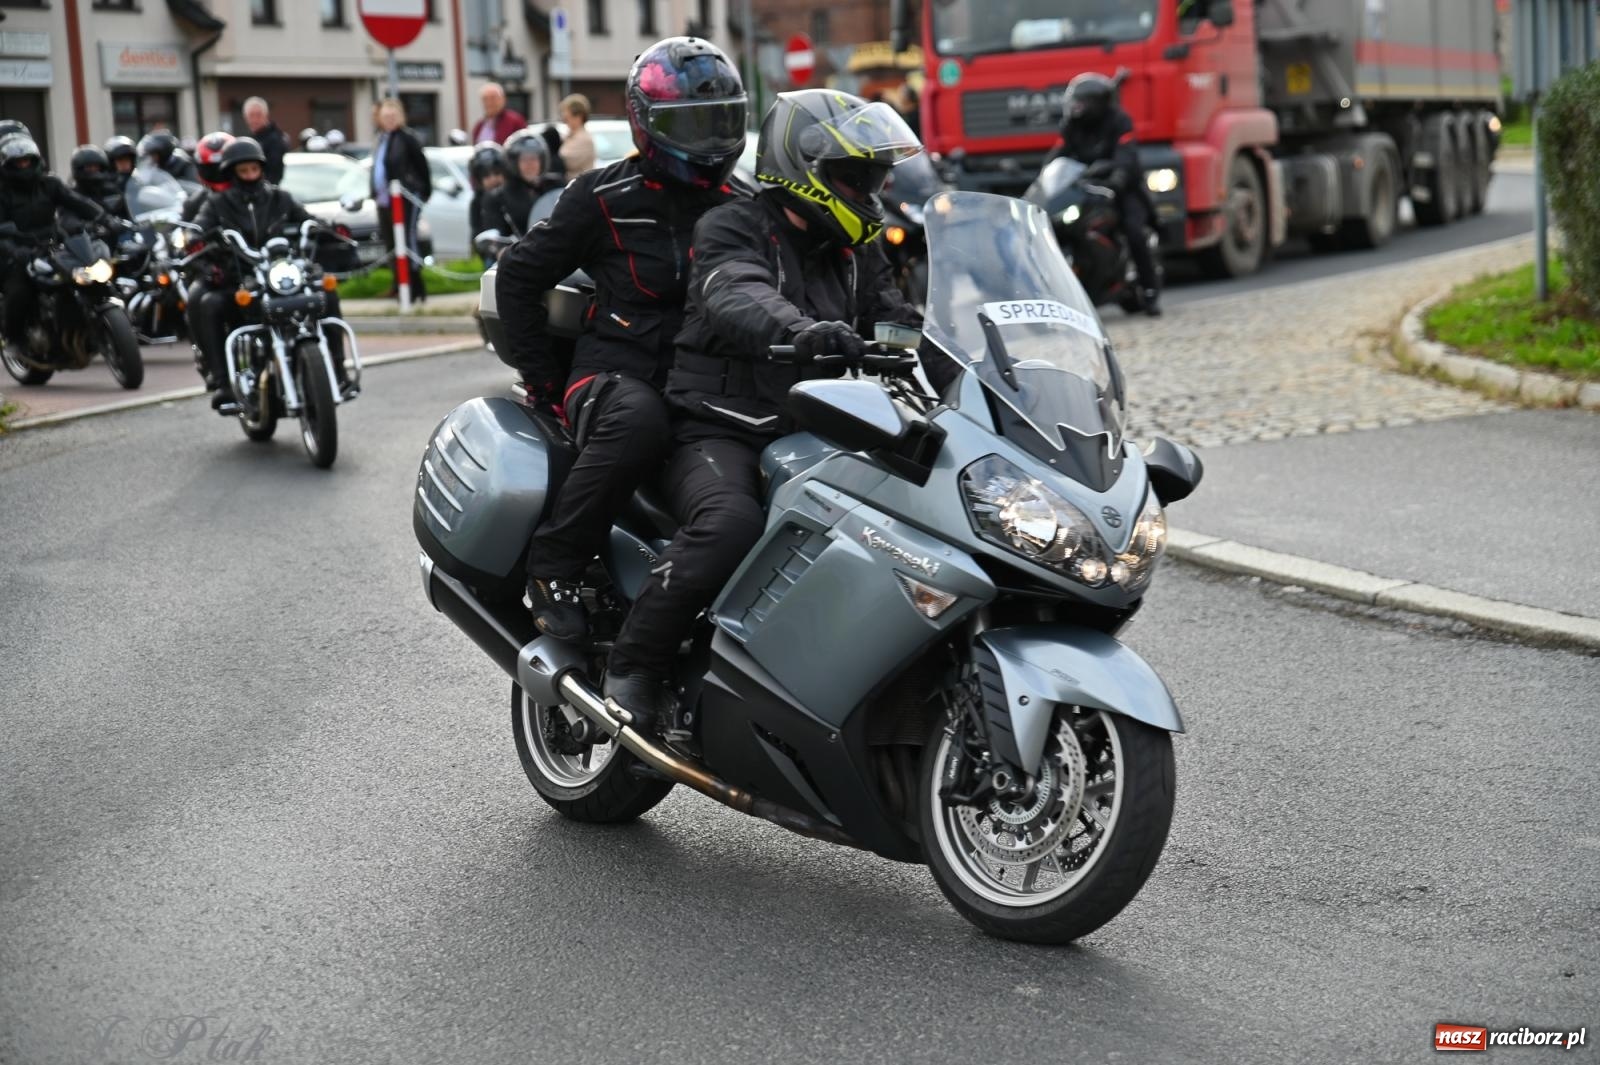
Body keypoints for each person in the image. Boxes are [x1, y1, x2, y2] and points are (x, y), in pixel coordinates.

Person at [605, 90, 933, 728]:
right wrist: (802, 329)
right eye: (854, 175)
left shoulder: (856, 249)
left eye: (872, 176)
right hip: (720, 427)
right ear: (803, 168)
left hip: (828, 430)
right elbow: (734, 290)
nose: (868, 188)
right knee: (728, 523)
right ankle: (634, 661)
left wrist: (979, 370)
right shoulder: (731, 227)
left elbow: (903, 325)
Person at [493, 37, 748, 719]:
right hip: (613, 376)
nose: (711, 138)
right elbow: (518, 276)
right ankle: (555, 563)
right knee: (638, 418)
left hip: (704, 397)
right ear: (647, 122)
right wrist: (545, 382)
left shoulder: (746, 206)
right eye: (694, 124)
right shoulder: (602, 195)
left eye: (721, 121)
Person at [188, 137, 348, 407]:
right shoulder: (217, 204)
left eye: (254, 169)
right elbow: (198, 227)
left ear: (261, 169)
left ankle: (338, 368)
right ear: (232, 173)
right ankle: (222, 382)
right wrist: (195, 238)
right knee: (211, 303)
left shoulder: (280, 198)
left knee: (327, 294)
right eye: (243, 171)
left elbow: (307, 219)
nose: (250, 175)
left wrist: (330, 229)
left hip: (282, 272)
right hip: (241, 275)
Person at [1044, 72, 1161, 316]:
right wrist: (1044, 176)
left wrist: (1117, 177)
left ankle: (1149, 291)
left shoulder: (1119, 121)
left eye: (1081, 103)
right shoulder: (1072, 125)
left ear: (1097, 103)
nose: (1076, 108)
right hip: (1087, 187)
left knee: (1133, 231)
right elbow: (1059, 153)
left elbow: (1126, 154)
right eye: (1074, 102)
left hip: (1121, 188)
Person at [0, 133, 106, 359]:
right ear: (7, 164)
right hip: (16, 249)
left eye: (27, 161)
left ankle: (94, 317)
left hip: (52, 243)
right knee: (19, 290)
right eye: (18, 162)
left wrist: (104, 218)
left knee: (88, 271)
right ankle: (14, 338)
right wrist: (14, 249)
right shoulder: (2, 192)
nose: (23, 166)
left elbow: (77, 202)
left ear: (36, 160)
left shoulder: (50, 184)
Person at [371, 97, 432, 303]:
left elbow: (422, 167)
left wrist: (421, 193)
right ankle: (399, 284)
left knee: (407, 240)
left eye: (393, 115)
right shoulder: (382, 139)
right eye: (385, 116)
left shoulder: (407, 138)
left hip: (404, 198)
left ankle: (415, 286)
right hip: (385, 200)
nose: (389, 119)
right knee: (392, 243)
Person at [481, 130, 561, 239]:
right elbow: (496, 238)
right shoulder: (498, 197)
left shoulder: (555, 185)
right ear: (514, 162)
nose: (530, 164)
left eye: (533, 158)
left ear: (541, 160)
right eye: (524, 159)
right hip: (521, 252)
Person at [184, 131, 235, 221]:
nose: (219, 173)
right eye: (212, 168)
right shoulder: (194, 203)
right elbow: (187, 231)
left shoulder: (257, 194)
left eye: (225, 168)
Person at [467, 140, 509, 247]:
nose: (493, 179)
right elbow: (476, 235)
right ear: (478, 179)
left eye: (497, 173)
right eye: (486, 175)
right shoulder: (476, 203)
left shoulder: (512, 195)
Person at [70, 145, 127, 219]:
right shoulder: (72, 195)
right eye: (89, 167)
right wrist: (85, 226)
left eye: (96, 166)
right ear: (79, 168)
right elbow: (67, 221)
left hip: (115, 230)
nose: (94, 170)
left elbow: (128, 213)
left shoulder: (111, 191)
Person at [557, 94, 597, 174]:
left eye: (567, 117)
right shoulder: (570, 136)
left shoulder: (584, 139)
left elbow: (565, 161)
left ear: (579, 116)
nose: (564, 120)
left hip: (580, 185)